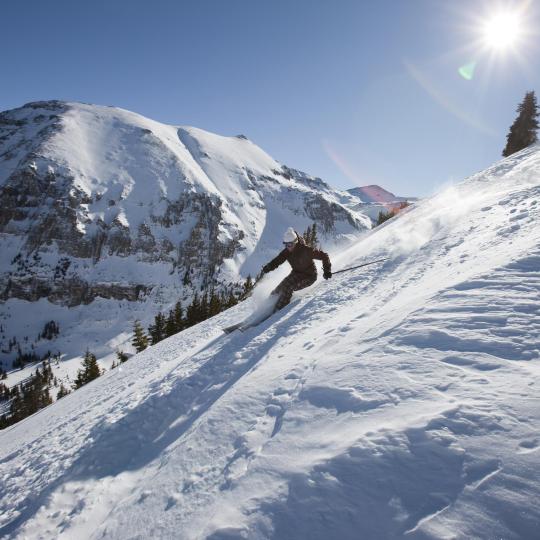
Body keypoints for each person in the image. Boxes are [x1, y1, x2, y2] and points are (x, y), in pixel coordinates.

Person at [262, 227, 332, 311]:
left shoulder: (306, 250)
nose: (288, 247)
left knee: (289, 288)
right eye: (286, 244)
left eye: (290, 244)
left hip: (309, 276)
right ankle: (265, 307)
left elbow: (324, 256)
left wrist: (327, 270)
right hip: (296, 273)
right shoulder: (287, 252)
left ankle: (278, 310)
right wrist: (268, 267)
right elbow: (277, 261)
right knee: (279, 288)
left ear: (295, 242)